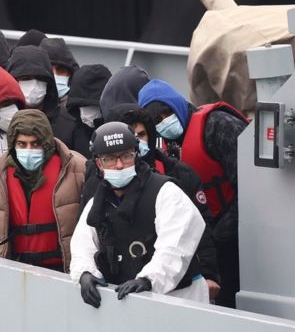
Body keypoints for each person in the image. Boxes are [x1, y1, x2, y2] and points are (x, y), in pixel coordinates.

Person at [70, 122, 207, 308]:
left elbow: (176, 245)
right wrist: (85, 273)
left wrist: (149, 279)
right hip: (128, 300)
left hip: (179, 297)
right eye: (109, 159)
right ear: (98, 164)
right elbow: (82, 244)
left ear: (137, 156)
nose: (119, 165)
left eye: (126, 156)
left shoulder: (166, 192)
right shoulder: (98, 202)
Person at [138, 79, 248, 308]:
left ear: (177, 105)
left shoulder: (218, 126)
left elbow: (253, 186)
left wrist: (220, 234)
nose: (164, 122)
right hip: (212, 240)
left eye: (166, 113)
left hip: (243, 234)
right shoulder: (168, 149)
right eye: (156, 120)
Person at [101, 103, 221, 301]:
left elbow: (201, 227)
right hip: (125, 285)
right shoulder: (101, 185)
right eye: (133, 136)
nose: (138, 141)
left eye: (142, 134)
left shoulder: (180, 175)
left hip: (180, 284)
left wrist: (210, 274)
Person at [0, 109, 86, 272]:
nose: (29, 150)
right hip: (14, 270)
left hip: (63, 272)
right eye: (22, 144)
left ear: (46, 143)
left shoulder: (77, 169)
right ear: (13, 144)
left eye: (35, 143)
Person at [7, 45, 84, 153]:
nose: (33, 84)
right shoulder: (3, 119)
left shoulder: (68, 123)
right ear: (12, 80)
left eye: (39, 78)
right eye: (26, 79)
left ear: (49, 82)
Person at [66, 64, 112, 158]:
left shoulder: (117, 130)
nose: (85, 112)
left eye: (92, 105)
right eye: (81, 105)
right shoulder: (67, 131)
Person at [39, 38, 79, 106]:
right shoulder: (25, 107)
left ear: (71, 74)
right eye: (48, 70)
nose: (54, 75)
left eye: (60, 69)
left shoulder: (78, 109)